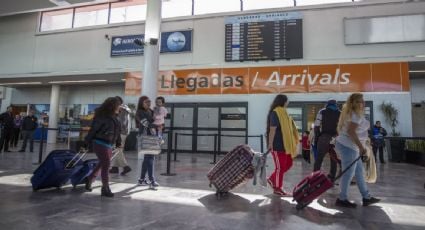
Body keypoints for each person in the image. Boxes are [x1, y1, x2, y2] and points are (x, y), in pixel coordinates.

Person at [335, 93, 380, 208]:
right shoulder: (355, 115)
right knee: (348, 174)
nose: (363, 103)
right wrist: (361, 147)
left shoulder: (351, 114)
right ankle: (342, 198)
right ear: (355, 103)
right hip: (349, 147)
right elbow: (351, 132)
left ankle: (366, 197)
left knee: (359, 173)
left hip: (349, 146)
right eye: (361, 101)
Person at [84, 97, 122, 198]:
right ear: (113, 105)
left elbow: (117, 131)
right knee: (106, 164)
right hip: (99, 142)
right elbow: (93, 130)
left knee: (102, 163)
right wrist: (86, 142)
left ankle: (90, 178)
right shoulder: (101, 116)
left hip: (109, 144)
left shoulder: (115, 117)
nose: (120, 107)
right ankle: (105, 188)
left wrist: (118, 142)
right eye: (118, 105)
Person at [266, 94, 299, 196]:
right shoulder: (275, 113)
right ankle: (277, 188)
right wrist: (270, 144)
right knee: (280, 168)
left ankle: (272, 179)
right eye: (287, 101)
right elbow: (272, 130)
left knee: (288, 164)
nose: (288, 102)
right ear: (283, 101)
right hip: (277, 145)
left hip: (286, 145)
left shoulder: (284, 113)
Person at [313, 99, 341, 181]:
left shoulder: (322, 111)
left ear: (327, 104)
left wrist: (317, 138)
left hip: (324, 137)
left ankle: (315, 178)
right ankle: (332, 178)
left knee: (319, 158)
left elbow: (317, 126)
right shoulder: (340, 113)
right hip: (336, 138)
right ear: (336, 104)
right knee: (334, 159)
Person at [136, 96, 159, 187]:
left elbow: (155, 121)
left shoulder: (151, 111)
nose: (149, 103)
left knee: (147, 159)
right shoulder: (139, 112)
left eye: (149, 101)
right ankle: (151, 180)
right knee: (150, 159)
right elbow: (146, 124)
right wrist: (157, 126)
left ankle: (141, 179)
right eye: (146, 102)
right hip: (145, 137)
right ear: (141, 103)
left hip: (152, 136)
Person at [109, 96, 132, 176]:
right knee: (118, 150)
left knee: (117, 150)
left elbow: (121, 122)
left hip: (120, 132)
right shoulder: (125, 108)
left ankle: (126, 166)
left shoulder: (121, 109)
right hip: (124, 132)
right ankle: (115, 168)